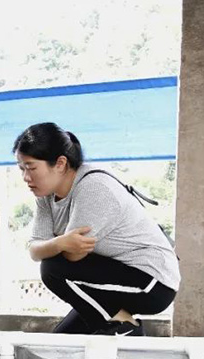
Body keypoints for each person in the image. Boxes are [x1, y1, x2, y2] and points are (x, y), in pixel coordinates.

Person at [14, 122, 180, 336]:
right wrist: (59, 242)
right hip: (114, 275)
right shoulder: (45, 195)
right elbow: (34, 249)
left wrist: (56, 246)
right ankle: (123, 323)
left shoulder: (94, 188)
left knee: (52, 268)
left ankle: (126, 327)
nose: (26, 178)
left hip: (152, 283)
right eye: (21, 169)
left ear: (61, 163)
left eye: (31, 168)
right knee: (60, 342)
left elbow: (70, 257)